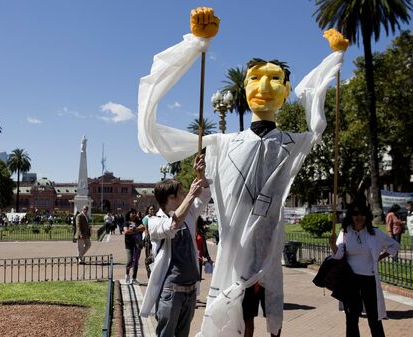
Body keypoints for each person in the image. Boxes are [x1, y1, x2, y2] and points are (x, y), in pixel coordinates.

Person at [137, 7, 346, 336]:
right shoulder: (223, 143)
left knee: (273, 312)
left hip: (270, 245)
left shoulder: (293, 142)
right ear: (244, 90)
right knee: (240, 315)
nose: (265, 85)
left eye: (275, 78)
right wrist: (197, 43)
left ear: (286, 91)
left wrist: (334, 60)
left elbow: (318, 123)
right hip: (233, 254)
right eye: (255, 78)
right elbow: (154, 134)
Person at [140, 155, 211, 337]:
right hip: (171, 292)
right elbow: (172, 225)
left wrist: (200, 173)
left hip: (190, 291)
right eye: (181, 192)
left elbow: (204, 195)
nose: (185, 193)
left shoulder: (188, 214)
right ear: (171, 197)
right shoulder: (155, 221)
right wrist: (190, 195)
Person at [329, 202, 398, 337]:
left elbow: (394, 246)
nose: (359, 217)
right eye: (355, 214)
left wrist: (378, 258)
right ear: (350, 216)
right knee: (352, 318)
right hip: (350, 281)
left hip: (369, 280)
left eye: (362, 214)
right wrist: (333, 245)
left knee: (374, 317)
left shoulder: (375, 233)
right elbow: (338, 255)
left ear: (367, 216)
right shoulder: (345, 233)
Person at [124, 210, 145, 284]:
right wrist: (137, 230)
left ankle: (134, 278)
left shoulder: (139, 221)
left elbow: (143, 228)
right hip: (129, 244)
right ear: (129, 214)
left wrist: (134, 229)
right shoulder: (126, 222)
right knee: (129, 260)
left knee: (136, 261)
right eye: (132, 213)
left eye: (134, 213)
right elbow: (126, 232)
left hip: (137, 244)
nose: (133, 214)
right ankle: (127, 274)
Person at [196, 216, 212, 281]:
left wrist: (209, 258)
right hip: (189, 260)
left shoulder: (201, 233)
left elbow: (204, 247)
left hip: (199, 260)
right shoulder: (188, 232)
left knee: (198, 281)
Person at [142, 205, 156, 278]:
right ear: (148, 210)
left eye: (153, 209)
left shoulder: (156, 217)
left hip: (155, 239)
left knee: (155, 256)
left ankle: (154, 272)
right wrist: (148, 238)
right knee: (148, 257)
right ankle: (149, 273)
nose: (152, 210)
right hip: (148, 239)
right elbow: (146, 229)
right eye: (150, 209)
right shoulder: (146, 218)